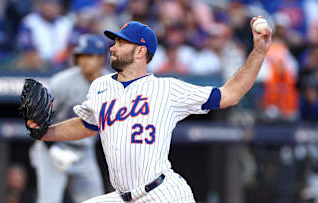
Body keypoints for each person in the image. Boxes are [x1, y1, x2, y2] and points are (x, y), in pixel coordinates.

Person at [26, 19, 272, 202]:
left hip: (162, 193)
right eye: (115, 41)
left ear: (140, 51)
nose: (113, 47)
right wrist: (46, 133)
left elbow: (229, 95)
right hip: (123, 197)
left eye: (121, 42)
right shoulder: (100, 86)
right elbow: (87, 124)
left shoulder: (166, 88)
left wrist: (259, 51)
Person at [30, 34, 106, 203]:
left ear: (101, 58)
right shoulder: (62, 82)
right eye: (81, 56)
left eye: (89, 55)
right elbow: (36, 120)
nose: (84, 61)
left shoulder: (110, 84)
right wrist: (53, 149)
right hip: (54, 149)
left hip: (85, 152)